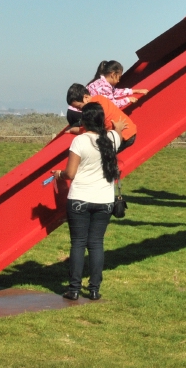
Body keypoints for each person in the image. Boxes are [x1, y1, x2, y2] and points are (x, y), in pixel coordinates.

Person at [52, 102, 120, 300]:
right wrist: (117, 127)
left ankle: (73, 289)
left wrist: (58, 174)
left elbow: (70, 173)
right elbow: (119, 131)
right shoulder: (113, 139)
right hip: (104, 200)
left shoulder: (80, 141)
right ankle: (94, 290)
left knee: (78, 243)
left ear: (84, 121)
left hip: (80, 198)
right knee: (96, 244)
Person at [66, 84, 135, 154]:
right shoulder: (99, 98)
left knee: (101, 156)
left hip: (123, 136)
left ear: (86, 97)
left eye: (79, 107)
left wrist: (72, 130)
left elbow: (88, 131)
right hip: (130, 130)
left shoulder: (93, 110)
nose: (80, 110)